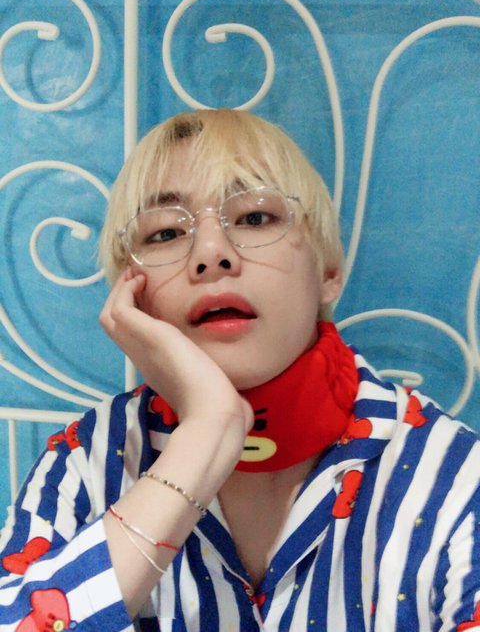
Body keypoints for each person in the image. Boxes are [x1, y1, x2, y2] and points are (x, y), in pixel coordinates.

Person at [0, 108, 479, 632]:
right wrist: (206, 435)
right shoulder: (82, 462)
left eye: (254, 218)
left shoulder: (457, 479)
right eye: (165, 232)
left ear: (328, 272)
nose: (211, 253)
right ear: (129, 293)